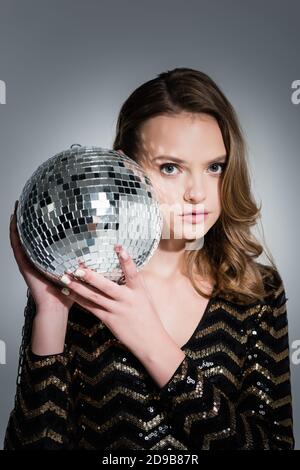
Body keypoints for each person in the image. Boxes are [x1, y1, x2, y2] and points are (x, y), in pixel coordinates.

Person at [4, 67, 294, 450]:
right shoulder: (80, 285)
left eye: (214, 167)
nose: (196, 193)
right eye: (170, 168)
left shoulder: (257, 290)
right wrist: (52, 316)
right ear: (126, 168)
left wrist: (153, 343)